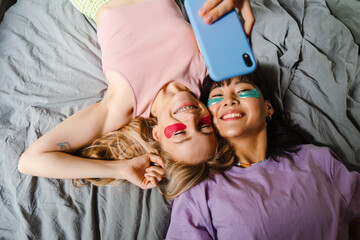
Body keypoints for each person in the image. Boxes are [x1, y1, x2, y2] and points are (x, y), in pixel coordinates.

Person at [18, 0, 255, 190]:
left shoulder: (124, 104)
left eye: (180, 133)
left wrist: (121, 169)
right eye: (204, 127)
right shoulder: (208, 69)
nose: (190, 119)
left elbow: (31, 160)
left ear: (157, 134)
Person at [165, 71, 360, 239]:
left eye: (242, 91)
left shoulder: (319, 160)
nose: (229, 101)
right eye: (216, 96)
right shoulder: (198, 193)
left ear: (268, 107)